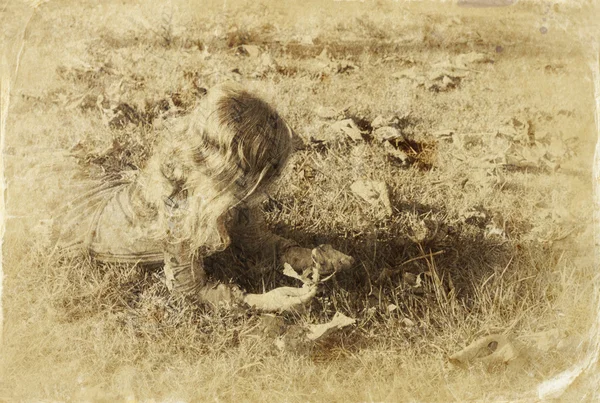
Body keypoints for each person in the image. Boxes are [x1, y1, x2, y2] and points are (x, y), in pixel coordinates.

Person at [52, 82, 355, 312]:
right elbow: (188, 291)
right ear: (236, 174)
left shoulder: (227, 189)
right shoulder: (181, 212)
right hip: (93, 229)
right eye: (266, 177)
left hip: (122, 199)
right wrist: (259, 300)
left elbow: (255, 242)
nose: (270, 186)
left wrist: (300, 256)